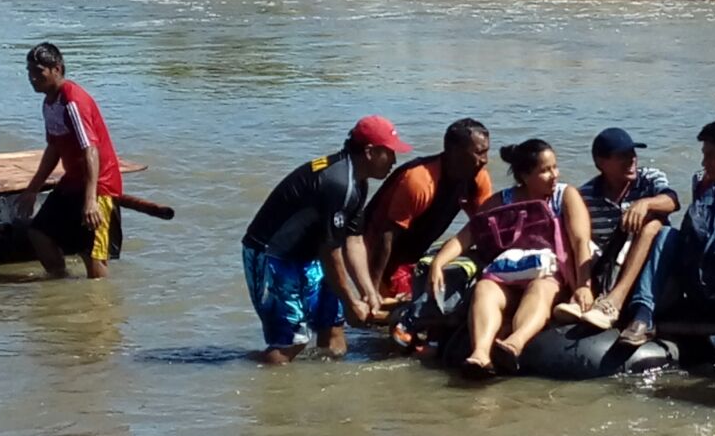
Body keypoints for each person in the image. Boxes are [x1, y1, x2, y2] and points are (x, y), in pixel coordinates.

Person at [242, 115, 410, 364]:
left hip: (308, 255)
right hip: (273, 256)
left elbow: (353, 240)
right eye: (390, 152)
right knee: (292, 343)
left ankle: (325, 385)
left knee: (333, 329)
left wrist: (369, 292)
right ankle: (245, 367)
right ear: (370, 152)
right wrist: (351, 301)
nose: (394, 160)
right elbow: (330, 252)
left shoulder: (358, 182)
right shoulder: (337, 182)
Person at [427, 139, 593, 377]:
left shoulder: (565, 196)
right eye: (545, 170)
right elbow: (465, 237)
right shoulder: (501, 201)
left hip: (549, 277)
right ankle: (480, 354)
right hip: (508, 276)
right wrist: (438, 263)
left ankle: (514, 344)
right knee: (484, 288)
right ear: (524, 176)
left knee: (540, 288)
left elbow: (580, 242)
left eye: (555, 167)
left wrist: (584, 285)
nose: (554, 175)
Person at [622, 117, 715, 345]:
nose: (705, 163)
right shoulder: (701, 182)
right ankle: (643, 315)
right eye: (704, 155)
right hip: (702, 278)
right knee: (666, 234)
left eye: (711, 156)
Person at [16, 43, 124, 280]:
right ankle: (62, 282)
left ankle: (99, 299)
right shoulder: (49, 103)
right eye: (29, 72)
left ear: (57, 69)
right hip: (72, 181)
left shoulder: (73, 101)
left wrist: (90, 201)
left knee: (92, 254)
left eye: (38, 72)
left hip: (100, 185)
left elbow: (90, 150)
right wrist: (33, 189)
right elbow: (54, 148)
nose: (32, 78)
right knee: (39, 233)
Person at [557, 128, 680, 338]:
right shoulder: (585, 196)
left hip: (648, 271)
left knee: (655, 224)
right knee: (576, 240)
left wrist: (645, 204)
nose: (632, 160)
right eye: (622, 155)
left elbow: (672, 201)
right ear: (601, 162)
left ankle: (616, 302)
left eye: (633, 153)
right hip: (607, 267)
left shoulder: (649, 178)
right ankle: (584, 299)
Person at [362, 118, 493, 301]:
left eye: (486, 152)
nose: (485, 160)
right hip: (377, 252)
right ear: (454, 152)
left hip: (417, 254)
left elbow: (485, 228)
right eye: (479, 153)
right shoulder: (419, 181)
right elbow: (386, 237)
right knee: (402, 309)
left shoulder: (477, 178)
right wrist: (372, 291)